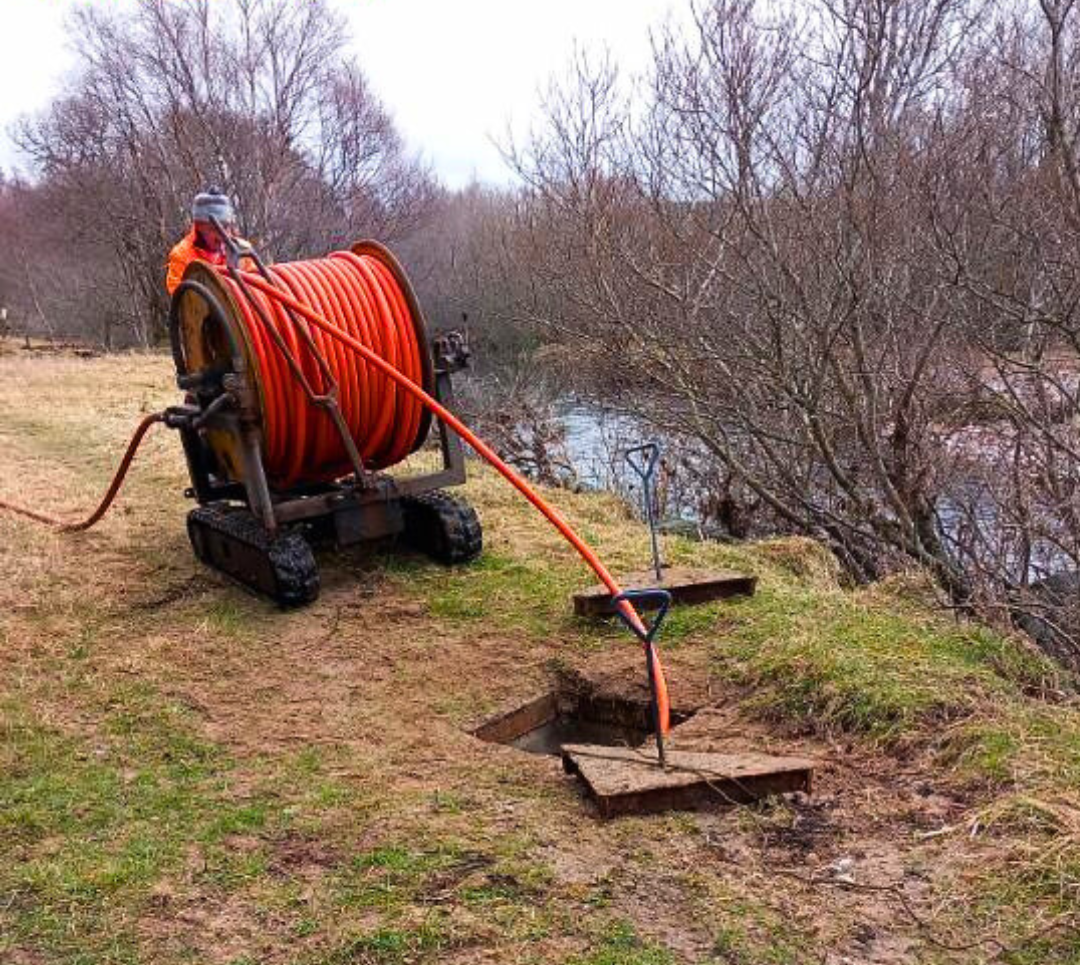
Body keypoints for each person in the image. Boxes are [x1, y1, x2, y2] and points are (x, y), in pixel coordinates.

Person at [165, 188, 251, 295]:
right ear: (199, 227)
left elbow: (259, 289)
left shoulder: (243, 251)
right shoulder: (182, 255)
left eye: (226, 227)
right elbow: (179, 297)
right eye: (214, 229)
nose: (222, 235)